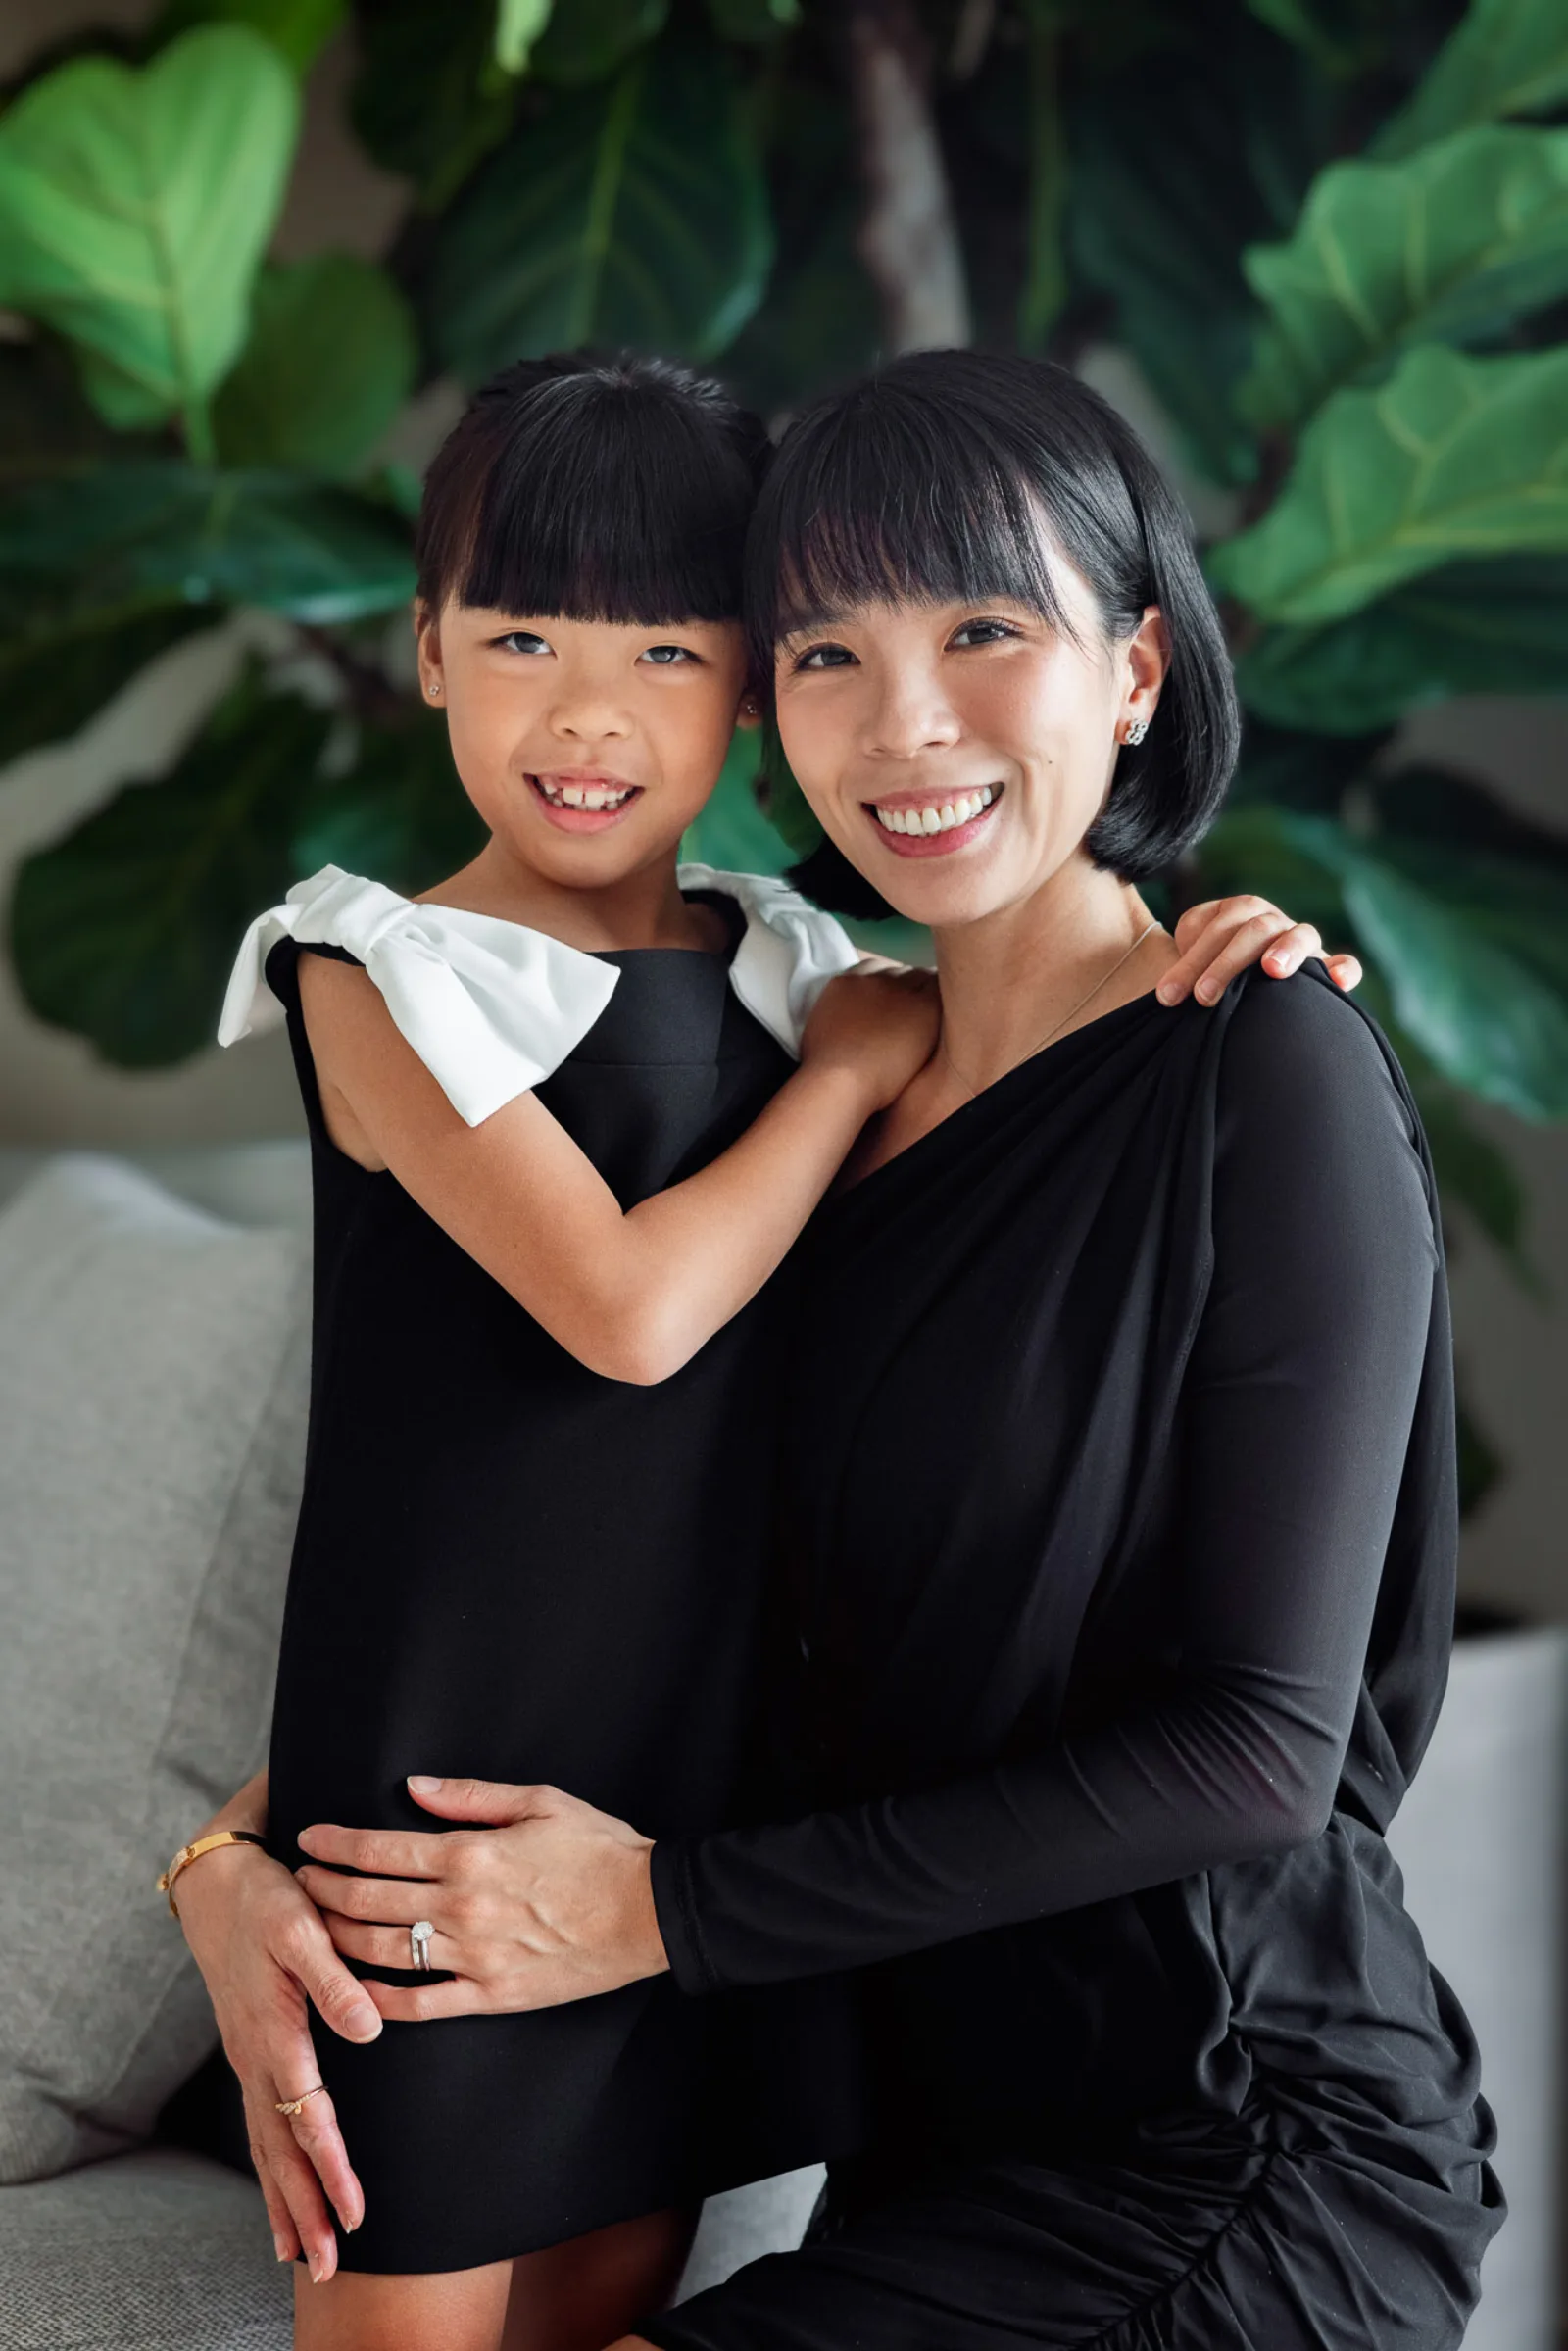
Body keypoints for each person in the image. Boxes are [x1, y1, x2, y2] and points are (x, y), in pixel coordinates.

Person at [289, 353, 1502, 2351]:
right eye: (828, 653)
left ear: (1133, 666)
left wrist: (657, 1910)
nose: (905, 720)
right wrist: (234, 1863)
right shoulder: (808, 1104)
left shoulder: (1258, 1063)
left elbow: (1264, 1750)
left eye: (983, 631)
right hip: (916, 2146)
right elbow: (573, 1550)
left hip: (1232, 2153)